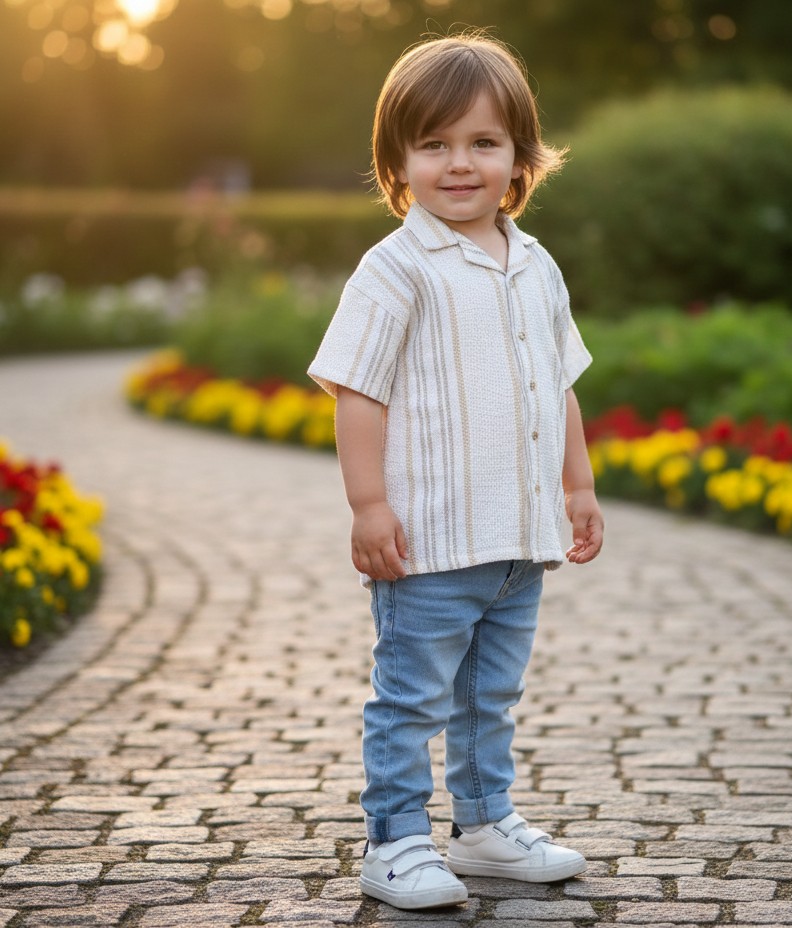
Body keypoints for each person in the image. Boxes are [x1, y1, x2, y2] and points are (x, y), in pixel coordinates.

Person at [308, 31, 604, 911]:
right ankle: (395, 838)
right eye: (433, 144)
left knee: (492, 694)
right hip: (432, 539)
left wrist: (576, 487)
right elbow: (355, 391)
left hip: (517, 540)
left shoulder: (537, 266)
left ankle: (483, 825)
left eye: (483, 142)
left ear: (520, 155)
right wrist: (368, 505)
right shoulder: (397, 269)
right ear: (398, 160)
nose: (460, 163)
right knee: (411, 697)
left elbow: (560, 387)